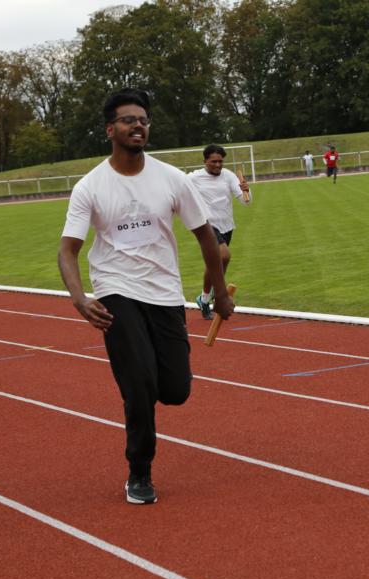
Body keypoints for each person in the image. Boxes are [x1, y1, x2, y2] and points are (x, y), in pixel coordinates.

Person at [58, 89, 234, 505]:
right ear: (110, 129)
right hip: (116, 290)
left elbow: (206, 238)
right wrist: (79, 298)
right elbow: (68, 250)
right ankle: (140, 471)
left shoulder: (172, 178)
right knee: (138, 386)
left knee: (174, 390)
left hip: (164, 292)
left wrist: (219, 292)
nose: (138, 125)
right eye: (128, 120)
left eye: (143, 120)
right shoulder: (90, 187)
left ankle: (148, 377)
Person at [190, 144, 251, 320]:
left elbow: (245, 201)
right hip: (207, 224)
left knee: (214, 263)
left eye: (220, 161)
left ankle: (204, 299)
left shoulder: (229, 175)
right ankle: (219, 292)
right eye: (213, 162)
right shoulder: (193, 177)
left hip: (226, 226)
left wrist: (246, 190)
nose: (217, 165)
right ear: (205, 161)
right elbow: (177, 190)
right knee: (224, 256)